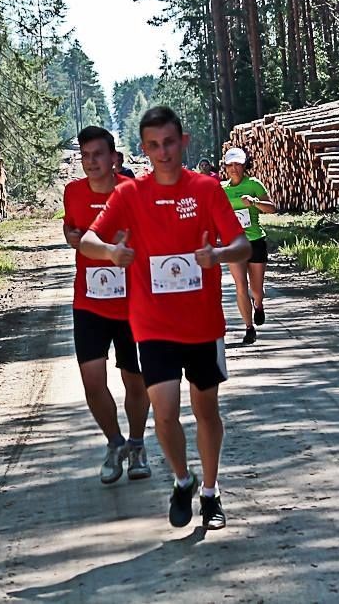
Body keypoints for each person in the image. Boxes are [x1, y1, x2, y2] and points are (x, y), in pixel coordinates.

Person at [80, 106, 250, 530]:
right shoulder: (130, 195)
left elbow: (243, 246)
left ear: (183, 141)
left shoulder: (207, 190)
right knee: (165, 411)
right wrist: (111, 252)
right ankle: (182, 479)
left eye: (169, 142)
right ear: (143, 149)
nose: (163, 152)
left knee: (206, 411)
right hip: (153, 325)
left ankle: (209, 493)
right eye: (153, 145)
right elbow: (87, 240)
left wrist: (219, 255)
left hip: (203, 324)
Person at [63, 127, 152, 484]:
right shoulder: (72, 192)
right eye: (85, 155)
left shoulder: (131, 192)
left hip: (132, 303)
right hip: (89, 301)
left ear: (114, 157)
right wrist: (74, 238)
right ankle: (115, 443)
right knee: (92, 381)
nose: (91, 162)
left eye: (98, 154)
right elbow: (71, 229)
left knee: (135, 379)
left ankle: (137, 442)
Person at [221, 147, 277, 344]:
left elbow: (271, 208)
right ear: (225, 167)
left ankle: (259, 306)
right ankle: (248, 327)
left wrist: (254, 202)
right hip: (234, 244)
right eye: (230, 165)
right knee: (240, 286)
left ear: (244, 165)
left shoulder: (253, 184)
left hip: (255, 241)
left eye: (238, 164)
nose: (234, 168)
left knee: (256, 289)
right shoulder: (221, 189)